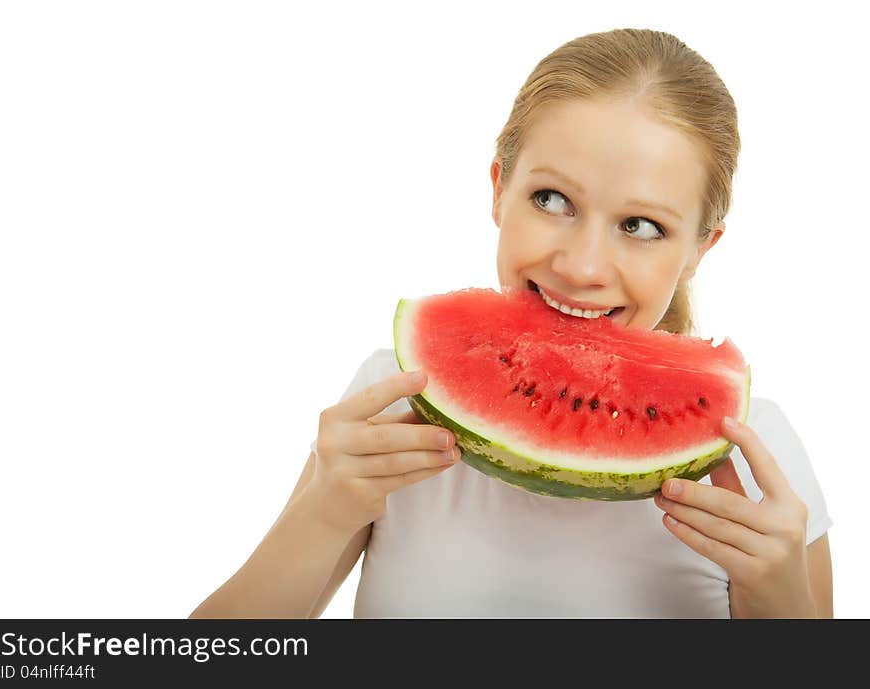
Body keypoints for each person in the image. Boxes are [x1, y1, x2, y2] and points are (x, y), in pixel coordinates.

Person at [189, 28, 833, 619]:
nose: (582, 266)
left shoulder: (753, 463)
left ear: (699, 249)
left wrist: (784, 607)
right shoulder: (394, 404)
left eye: (642, 227)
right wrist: (324, 510)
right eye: (552, 200)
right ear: (500, 189)